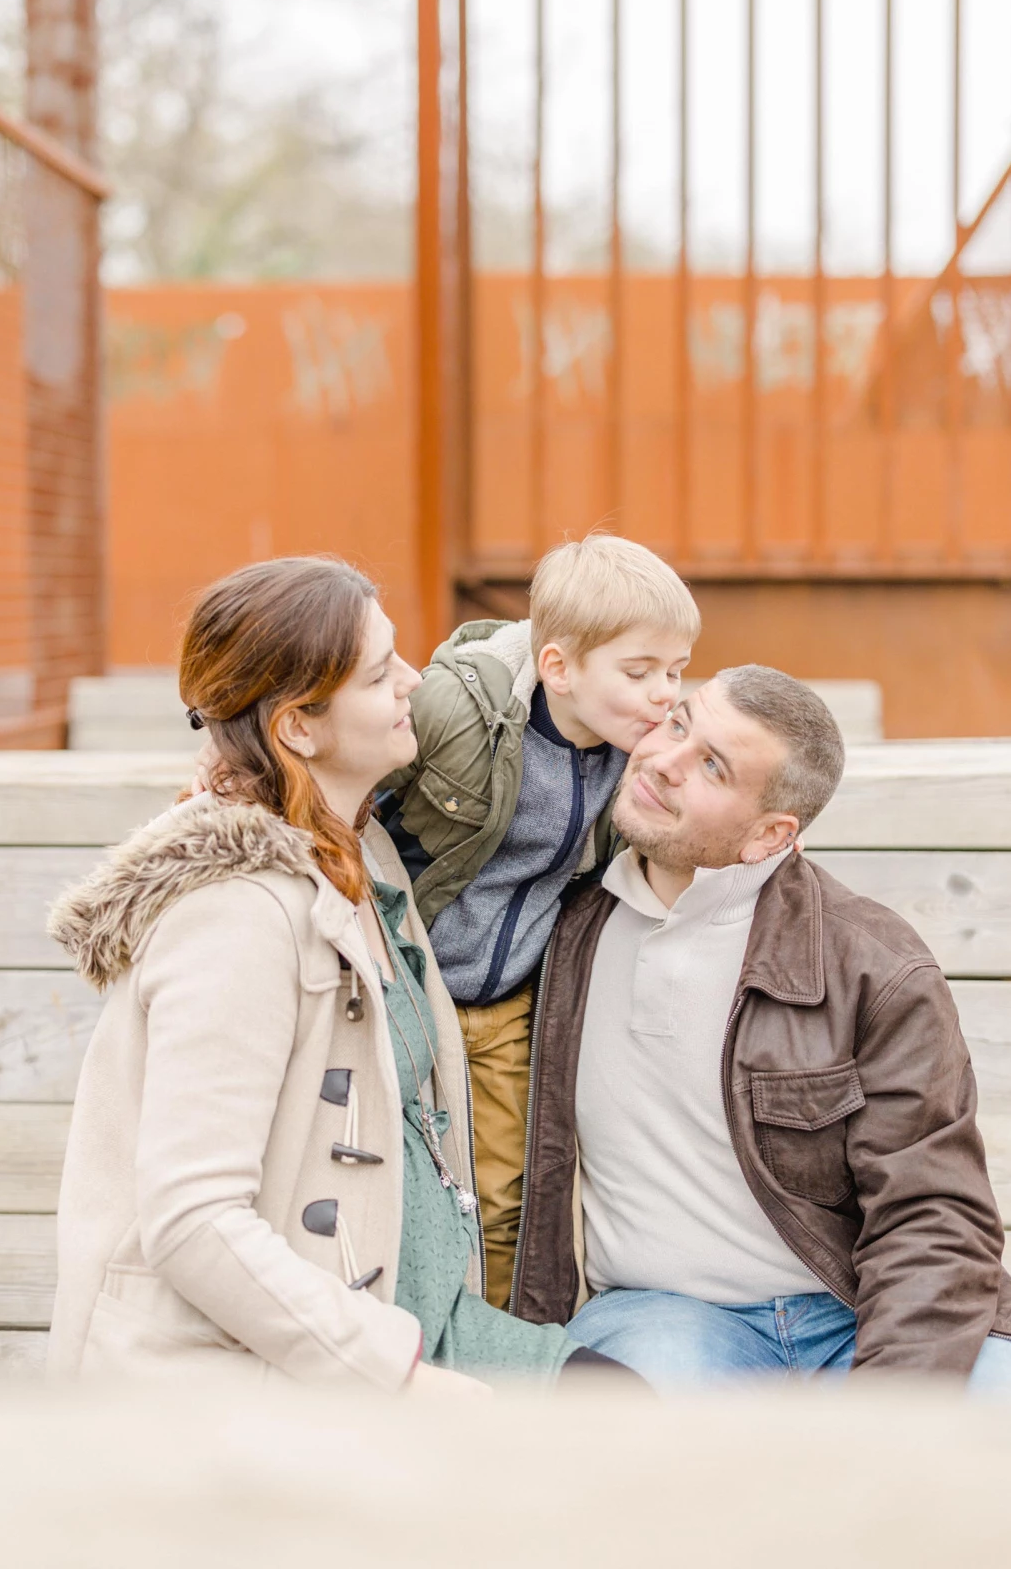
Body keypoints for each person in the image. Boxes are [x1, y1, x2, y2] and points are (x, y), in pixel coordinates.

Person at [46, 555, 622, 1391]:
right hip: (268, 1372)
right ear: (299, 729)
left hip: (421, 1318)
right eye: (382, 673)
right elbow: (195, 1221)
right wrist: (401, 1382)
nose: (415, 682)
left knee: (632, 1402)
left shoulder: (364, 848)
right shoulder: (237, 915)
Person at [508, 666, 1011, 1403]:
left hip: (855, 1313)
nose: (665, 763)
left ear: (769, 836)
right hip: (671, 1317)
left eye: (713, 766)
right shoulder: (562, 927)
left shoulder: (872, 963)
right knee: (638, 1415)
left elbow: (931, 1213)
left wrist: (888, 1413)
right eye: (678, 724)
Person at [376, 533, 700, 1308]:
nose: (666, 694)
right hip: (407, 987)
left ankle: (486, 1344)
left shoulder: (640, 758)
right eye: (640, 672)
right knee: (388, 1171)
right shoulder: (457, 711)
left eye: (677, 672)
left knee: (505, 1195)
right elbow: (353, 793)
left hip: (510, 1003)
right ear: (559, 668)